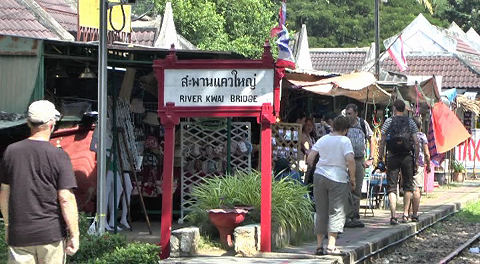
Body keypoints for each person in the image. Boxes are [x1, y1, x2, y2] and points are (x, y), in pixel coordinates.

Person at [0, 100, 79, 263]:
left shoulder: (11, 152)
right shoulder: (59, 156)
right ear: (52, 124)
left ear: (28, 123)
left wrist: (8, 226)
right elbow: (66, 198)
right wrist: (74, 235)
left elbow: (4, 194)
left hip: (19, 236)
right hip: (50, 235)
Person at [307, 116, 356, 255]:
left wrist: (313, 167)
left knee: (321, 211)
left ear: (333, 126)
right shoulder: (345, 140)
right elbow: (350, 160)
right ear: (346, 130)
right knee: (336, 211)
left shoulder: (323, 139)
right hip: (338, 178)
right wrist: (352, 178)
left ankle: (318, 246)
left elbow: (311, 157)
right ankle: (331, 246)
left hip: (320, 176)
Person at [378, 99, 419, 225]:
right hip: (407, 156)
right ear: (404, 109)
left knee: (391, 187)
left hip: (392, 156)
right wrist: (416, 159)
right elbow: (416, 142)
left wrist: (380, 156)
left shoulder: (389, 121)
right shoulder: (410, 122)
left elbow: (382, 140)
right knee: (408, 186)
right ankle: (406, 214)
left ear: (395, 108)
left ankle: (393, 216)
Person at [344, 104, 373, 228]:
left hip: (359, 160)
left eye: (350, 113)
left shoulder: (363, 123)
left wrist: (371, 158)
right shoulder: (344, 124)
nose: (348, 116)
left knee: (357, 188)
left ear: (356, 113)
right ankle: (345, 216)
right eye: (347, 114)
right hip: (345, 161)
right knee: (346, 188)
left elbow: (372, 139)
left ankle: (355, 216)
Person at [407, 117, 430, 222]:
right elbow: (426, 153)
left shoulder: (408, 136)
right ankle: (415, 214)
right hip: (418, 164)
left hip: (406, 162)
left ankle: (406, 213)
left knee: (408, 188)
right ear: (420, 126)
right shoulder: (422, 136)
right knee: (416, 189)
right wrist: (428, 165)